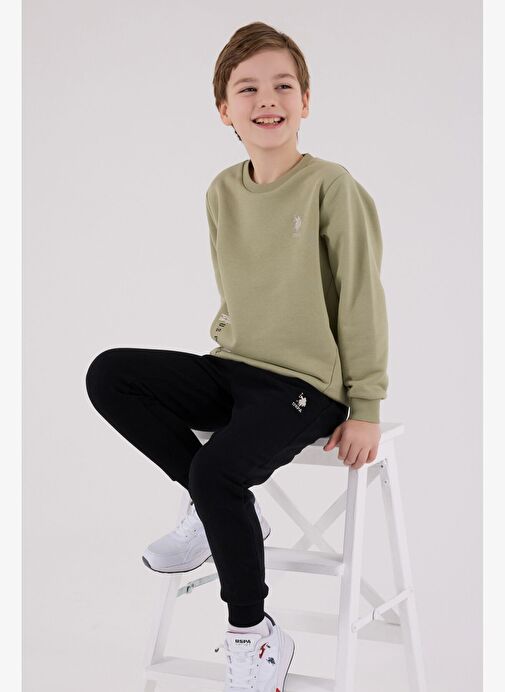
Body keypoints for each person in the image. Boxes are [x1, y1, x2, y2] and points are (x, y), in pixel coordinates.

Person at [85, 20, 388, 691]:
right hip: (234, 366)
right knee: (111, 374)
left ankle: (253, 636)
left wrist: (365, 404)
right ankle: (208, 502)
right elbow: (240, 287)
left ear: (305, 100)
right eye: (247, 89)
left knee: (219, 470)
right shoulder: (222, 190)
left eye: (282, 85)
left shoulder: (332, 186)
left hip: (306, 385)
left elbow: (362, 297)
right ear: (224, 110)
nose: (266, 99)